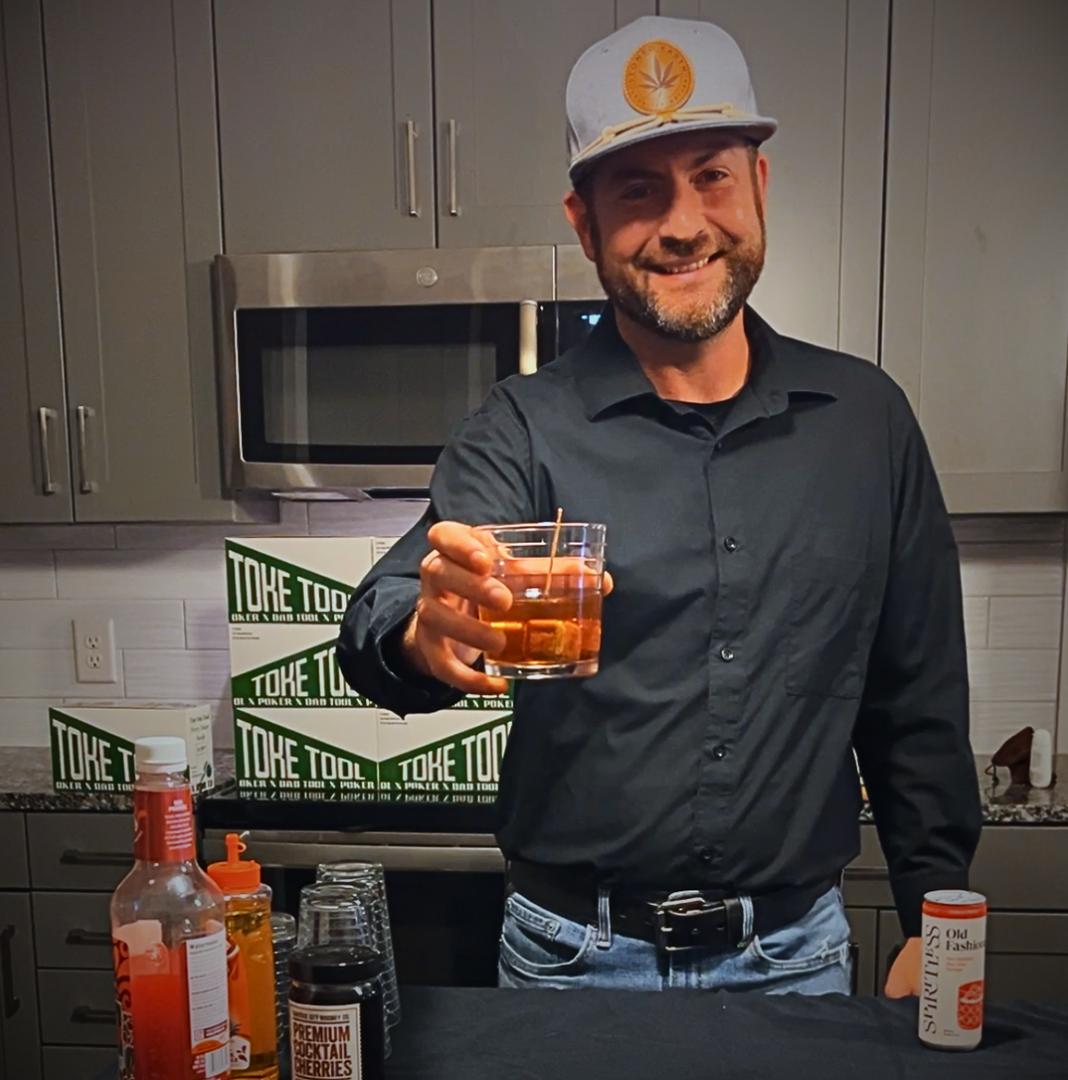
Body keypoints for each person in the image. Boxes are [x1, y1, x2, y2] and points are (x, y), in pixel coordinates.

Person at [338, 16, 982, 995]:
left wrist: (935, 914)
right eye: (639, 190)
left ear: (760, 188)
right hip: (569, 964)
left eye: (712, 174)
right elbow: (387, 611)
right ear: (584, 222)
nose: (683, 223)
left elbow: (916, 695)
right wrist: (428, 634)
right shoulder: (522, 430)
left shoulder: (867, 423)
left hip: (796, 962)